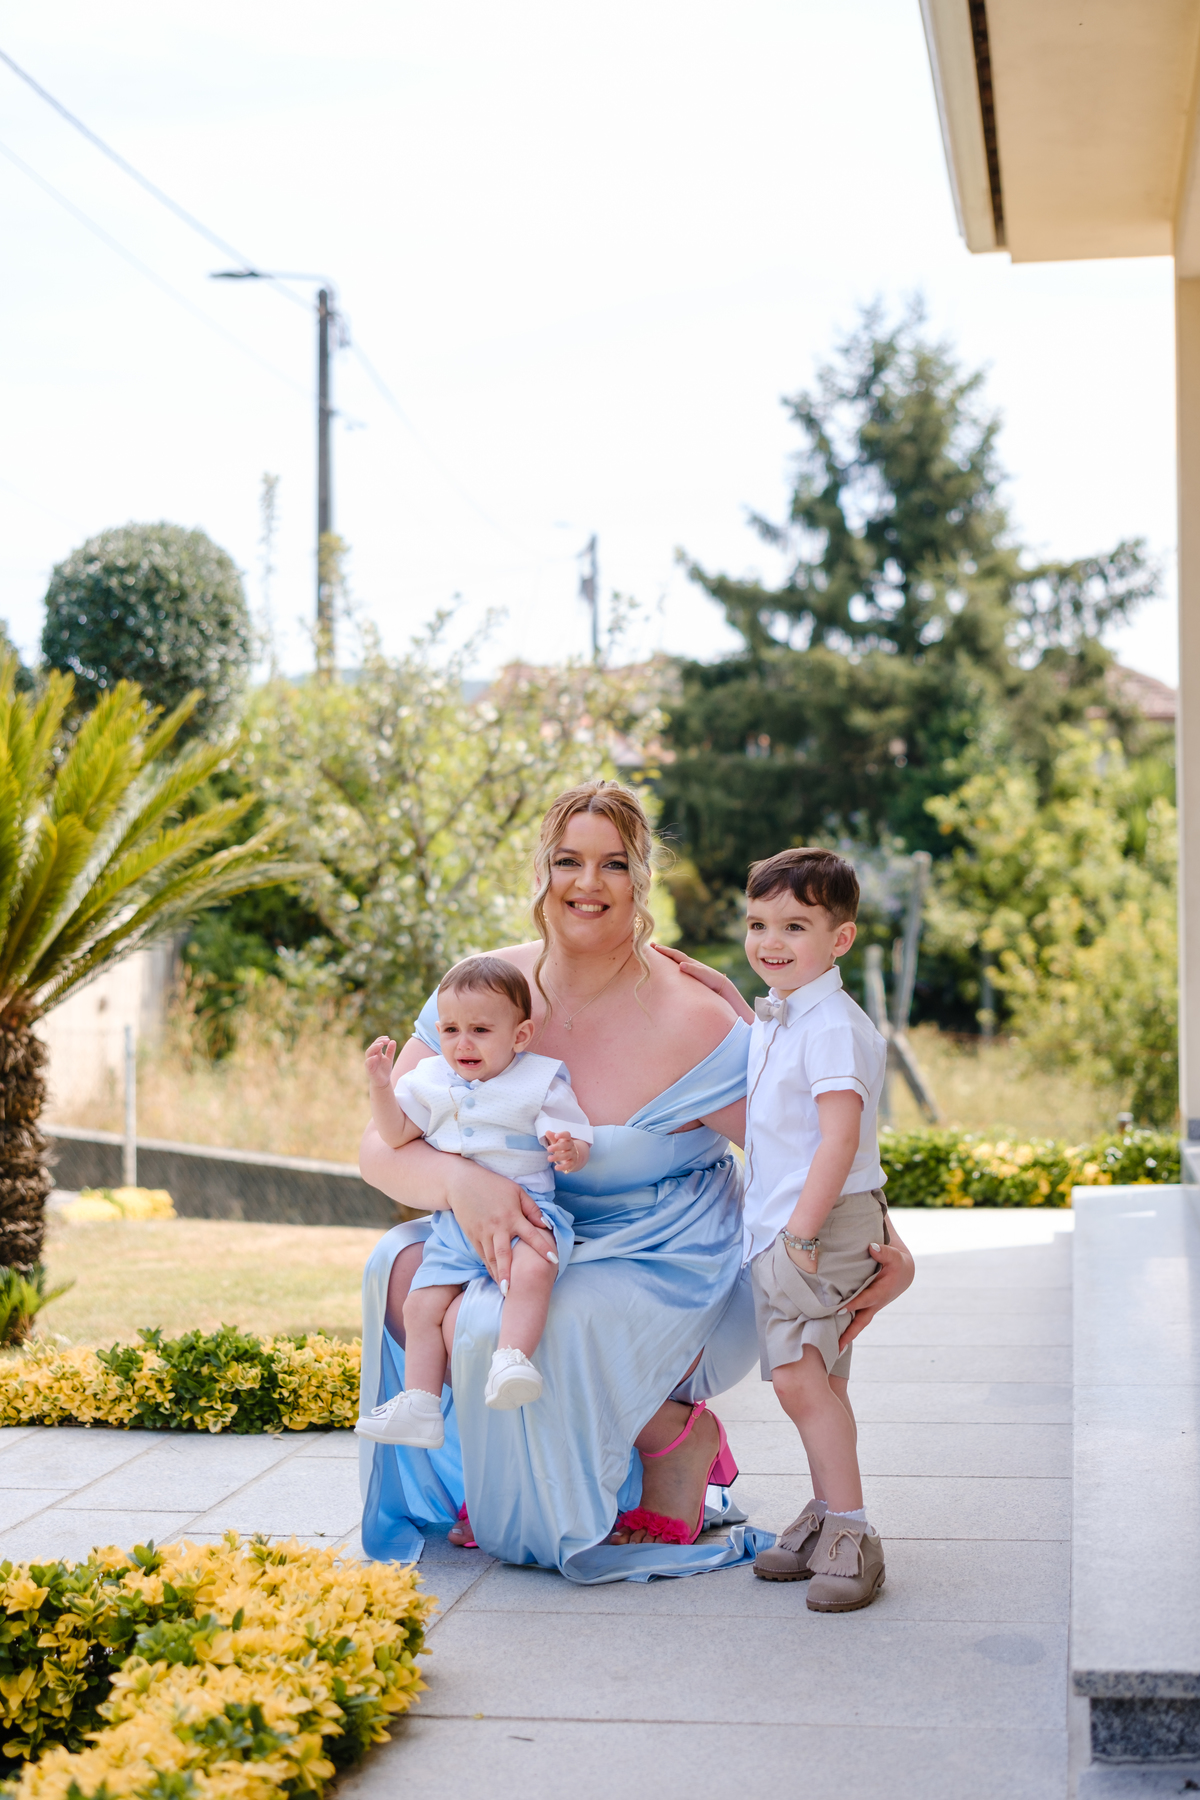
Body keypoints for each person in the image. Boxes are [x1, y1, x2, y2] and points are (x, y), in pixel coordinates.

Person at [357, 780, 915, 1582]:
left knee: (511, 1317)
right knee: (401, 1268)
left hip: (663, 1252)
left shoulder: (692, 1015)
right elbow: (381, 1150)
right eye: (568, 861)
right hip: (519, 1226)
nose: (588, 883)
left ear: (640, 879)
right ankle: (520, 1469)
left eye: (614, 864)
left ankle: (667, 1439)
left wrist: (887, 1242)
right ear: (542, 871)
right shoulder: (482, 988)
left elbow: (806, 1140)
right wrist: (460, 1183)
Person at [666, 846, 892, 1610]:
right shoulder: (784, 1012)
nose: (771, 940)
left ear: (841, 938)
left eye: (795, 926)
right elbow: (772, 1085)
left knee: (799, 1382)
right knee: (822, 1381)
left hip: (812, 1225)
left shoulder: (831, 1028)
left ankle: (852, 1532)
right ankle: (830, 1510)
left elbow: (838, 1138)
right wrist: (727, 991)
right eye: (758, 923)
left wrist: (798, 1235)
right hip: (796, 1223)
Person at [356, 954, 592, 1445]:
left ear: (520, 1036)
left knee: (533, 1270)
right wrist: (381, 1087)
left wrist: (569, 1150)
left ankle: (512, 1358)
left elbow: (571, 1133)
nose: (462, 1043)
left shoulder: (539, 1081)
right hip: (455, 1225)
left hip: (528, 1213)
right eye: (450, 1030)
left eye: (480, 1030)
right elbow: (396, 1134)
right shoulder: (430, 1081)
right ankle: (421, 1404)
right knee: (421, 1305)